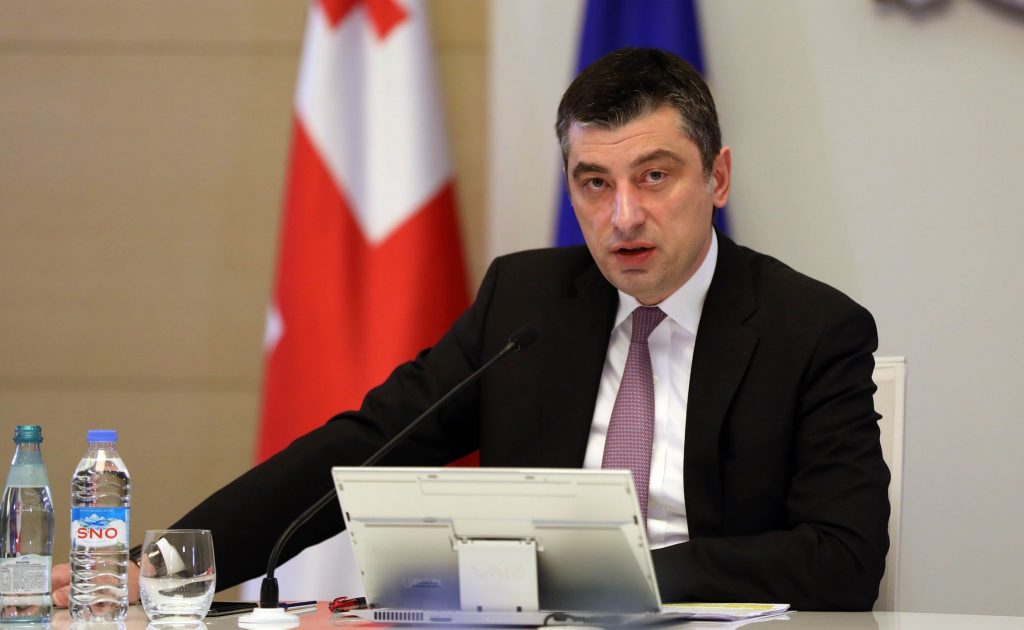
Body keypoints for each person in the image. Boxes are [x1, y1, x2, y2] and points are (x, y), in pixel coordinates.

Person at [53, 47, 889, 611]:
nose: (624, 216)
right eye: (594, 183)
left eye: (655, 176)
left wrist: (617, 576)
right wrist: (164, 567)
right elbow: (367, 445)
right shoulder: (527, 301)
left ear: (718, 178)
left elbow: (844, 560)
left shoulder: (812, 330)